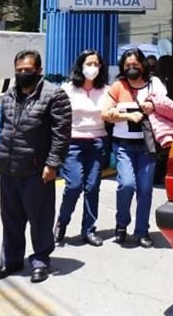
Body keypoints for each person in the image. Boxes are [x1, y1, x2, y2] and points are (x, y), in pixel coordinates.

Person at [0, 50, 71, 284]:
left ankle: (40, 261)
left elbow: (61, 135)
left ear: (39, 70)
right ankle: (11, 260)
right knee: (11, 218)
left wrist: (52, 164)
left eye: (28, 70)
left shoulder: (54, 96)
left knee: (40, 218)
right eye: (19, 70)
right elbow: (3, 127)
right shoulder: (9, 95)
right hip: (8, 168)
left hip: (37, 170)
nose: (23, 73)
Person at [102, 48, 163, 247]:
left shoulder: (155, 84)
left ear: (143, 65)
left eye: (135, 65)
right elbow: (105, 113)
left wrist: (152, 106)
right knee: (126, 184)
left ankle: (142, 231)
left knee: (145, 189)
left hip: (147, 144)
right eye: (127, 65)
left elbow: (165, 105)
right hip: (124, 145)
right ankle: (121, 224)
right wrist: (127, 116)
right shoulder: (118, 86)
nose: (131, 68)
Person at [55, 50, 109, 248]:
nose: (93, 68)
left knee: (93, 186)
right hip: (73, 142)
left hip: (97, 141)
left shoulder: (106, 90)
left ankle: (89, 229)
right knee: (74, 185)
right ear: (80, 65)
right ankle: (62, 221)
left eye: (96, 64)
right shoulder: (67, 89)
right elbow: (57, 116)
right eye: (89, 63)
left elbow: (112, 112)